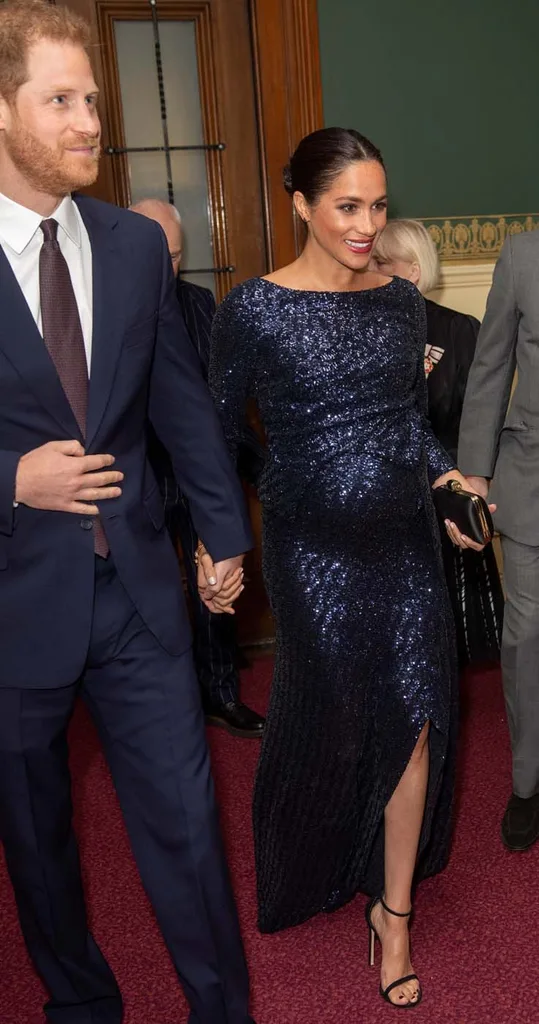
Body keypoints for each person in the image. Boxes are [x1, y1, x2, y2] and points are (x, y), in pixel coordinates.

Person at [0, 4, 255, 1023]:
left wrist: (224, 535)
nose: (88, 119)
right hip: (15, 602)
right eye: (60, 98)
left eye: (92, 98)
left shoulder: (133, 246)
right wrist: (13, 480)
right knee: (39, 842)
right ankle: (81, 1008)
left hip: (141, 595)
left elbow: (181, 406)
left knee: (188, 828)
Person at [205, 127, 491, 1009]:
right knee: (329, 713)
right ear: (300, 204)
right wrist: (254, 505)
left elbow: (407, 422)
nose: (367, 225)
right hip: (311, 550)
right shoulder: (252, 310)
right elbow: (215, 432)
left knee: (414, 717)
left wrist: (444, 481)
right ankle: (322, 854)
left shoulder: (398, 304)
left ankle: (393, 910)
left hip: (402, 542)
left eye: (377, 206)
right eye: (346, 207)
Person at [129, 197, 265, 739]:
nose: (168, 269)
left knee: (216, 582)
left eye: (176, 256)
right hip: (136, 479)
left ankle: (222, 695)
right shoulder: (101, 306)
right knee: (152, 595)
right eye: (157, 256)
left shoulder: (199, 302)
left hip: (196, 474)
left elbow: (217, 399)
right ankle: (162, 704)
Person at [372, 218, 504, 667]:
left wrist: (471, 481)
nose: (368, 268)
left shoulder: (461, 330)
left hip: (447, 479)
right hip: (383, 483)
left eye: (379, 261)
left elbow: (480, 415)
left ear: (410, 270)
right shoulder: (363, 328)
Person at [458, 228, 539, 853]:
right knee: (526, 637)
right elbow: (490, 366)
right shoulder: (522, 255)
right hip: (530, 480)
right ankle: (528, 783)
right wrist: (475, 476)